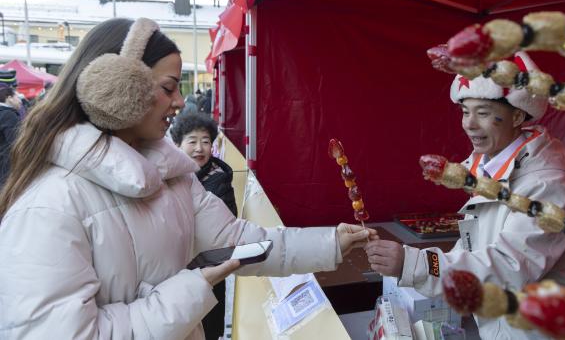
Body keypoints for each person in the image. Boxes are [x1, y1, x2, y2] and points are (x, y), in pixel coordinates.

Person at [0, 18, 377, 340]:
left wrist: (331, 242)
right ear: (114, 89)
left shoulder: (172, 177)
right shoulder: (46, 205)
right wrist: (191, 289)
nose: (180, 102)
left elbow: (238, 241)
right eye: (168, 87)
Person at [364, 52, 565, 340]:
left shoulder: (547, 187)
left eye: (483, 113)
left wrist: (414, 264)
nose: (469, 124)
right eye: (465, 111)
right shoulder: (488, 171)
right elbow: (470, 252)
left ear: (518, 115)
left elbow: (507, 268)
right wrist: (418, 264)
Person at [171, 112, 237, 338]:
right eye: (192, 141)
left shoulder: (220, 180)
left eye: (206, 141)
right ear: (177, 144)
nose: (199, 148)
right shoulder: (166, 177)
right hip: (174, 272)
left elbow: (226, 226)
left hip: (209, 270)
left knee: (208, 328)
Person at [0, 84, 21, 187]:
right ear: (9, 98)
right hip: (7, 166)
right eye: (17, 97)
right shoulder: (9, 115)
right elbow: (16, 143)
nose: (20, 100)